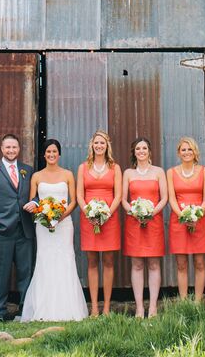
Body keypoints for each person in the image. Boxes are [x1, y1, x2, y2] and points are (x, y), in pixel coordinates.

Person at [21, 139, 88, 322]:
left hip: (64, 224)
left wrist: (59, 217)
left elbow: (73, 201)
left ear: (59, 154)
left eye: (54, 152)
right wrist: (45, 216)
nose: (51, 155)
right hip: (43, 226)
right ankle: (44, 308)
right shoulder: (36, 176)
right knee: (45, 260)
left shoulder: (67, 175)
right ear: (44, 155)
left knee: (65, 260)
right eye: (48, 152)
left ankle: (67, 309)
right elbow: (33, 201)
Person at [0, 133, 35, 322]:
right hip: (1, 231)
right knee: (1, 274)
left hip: (25, 230)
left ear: (19, 149)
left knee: (25, 272)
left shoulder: (28, 170)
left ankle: (25, 310)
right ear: (2, 149)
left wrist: (35, 203)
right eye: (8, 147)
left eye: (14, 147)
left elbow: (36, 195)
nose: (11, 150)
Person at [76, 130, 122, 316]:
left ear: (107, 146)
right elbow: (79, 195)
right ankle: (94, 306)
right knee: (92, 261)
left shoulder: (115, 168)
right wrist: (89, 212)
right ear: (92, 145)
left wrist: (106, 214)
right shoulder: (83, 168)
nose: (99, 146)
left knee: (109, 261)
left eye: (102, 143)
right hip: (89, 219)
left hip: (109, 218)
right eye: (96, 143)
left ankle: (107, 306)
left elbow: (118, 195)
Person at [122, 137, 167, 318]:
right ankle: (140, 307)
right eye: (138, 148)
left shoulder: (158, 172)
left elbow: (164, 197)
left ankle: (153, 307)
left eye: (144, 148)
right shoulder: (128, 173)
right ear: (134, 152)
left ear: (149, 151)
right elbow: (123, 199)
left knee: (154, 264)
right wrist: (134, 212)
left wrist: (151, 213)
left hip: (153, 221)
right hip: (134, 222)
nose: (141, 151)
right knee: (137, 264)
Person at [167, 137, 205, 302]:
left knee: (199, 262)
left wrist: (196, 214)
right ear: (179, 152)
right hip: (179, 221)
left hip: (200, 220)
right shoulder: (171, 172)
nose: (186, 153)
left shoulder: (204, 171)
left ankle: (198, 303)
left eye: (189, 149)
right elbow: (172, 199)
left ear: (195, 152)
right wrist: (184, 216)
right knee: (182, 264)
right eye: (183, 150)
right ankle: (184, 302)